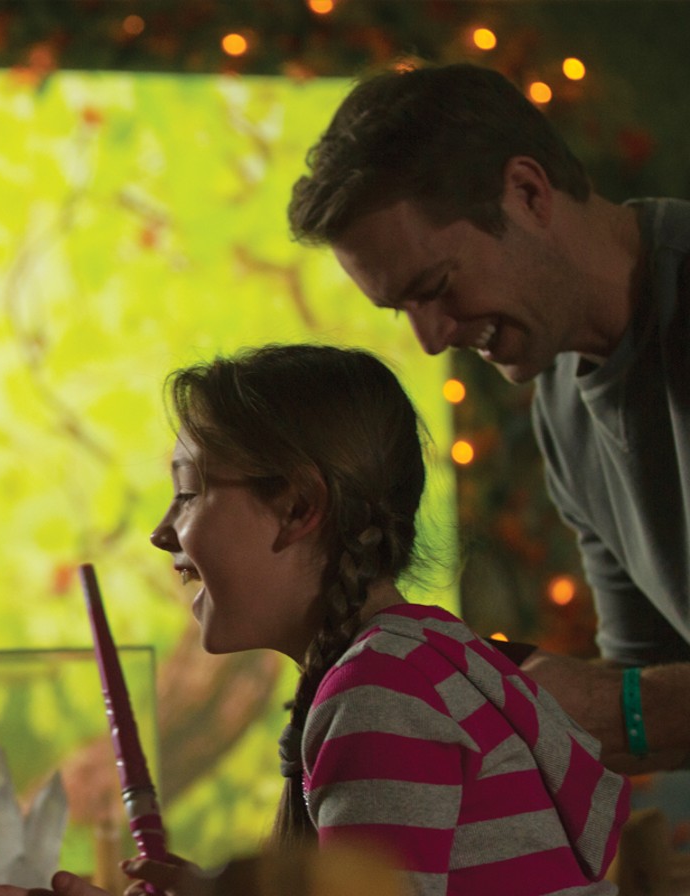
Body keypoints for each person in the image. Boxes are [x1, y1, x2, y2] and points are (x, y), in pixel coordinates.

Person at [0, 344, 628, 896]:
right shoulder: (431, 655)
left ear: (297, 508)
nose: (164, 533)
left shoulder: (380, 695)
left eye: (189, 492)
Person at [287, 62, 689, 774]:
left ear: (528, 192)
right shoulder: (565, 412)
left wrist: (616, 707)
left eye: (436, 287)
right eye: (401, 311)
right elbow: (647, 680)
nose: (432, 338)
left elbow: (638, 706)